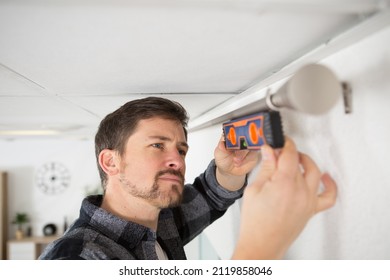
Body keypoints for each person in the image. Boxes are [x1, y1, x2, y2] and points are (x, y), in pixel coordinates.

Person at [39, 97, 337, 260]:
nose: (177, 160)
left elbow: (209, 196)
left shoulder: (157, 223)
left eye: (181, 149)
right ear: (110, 161)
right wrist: (264, 244)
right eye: (157, 145)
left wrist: (229, 171)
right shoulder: (78, 258)